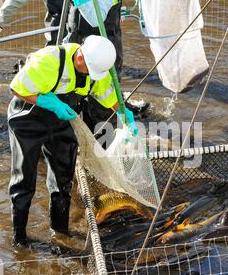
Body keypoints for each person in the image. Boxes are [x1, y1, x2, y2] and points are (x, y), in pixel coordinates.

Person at [8, 35, 136, 247]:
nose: (90, 75)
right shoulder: (49, 60)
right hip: (28, 120)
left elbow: (107, 95)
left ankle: (60, 233)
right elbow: (17, 89)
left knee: (63, 179)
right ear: (80, 56)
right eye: (88, 69)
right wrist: (48, 101)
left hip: (63, 120)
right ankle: (19, 239)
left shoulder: (96, 71)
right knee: (24, 179)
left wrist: (124, 113)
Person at [0, 0, 149, 115]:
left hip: (105, 27)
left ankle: (113, 114)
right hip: (67, 24)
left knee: (106, 73)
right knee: (58, 76)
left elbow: (98, 14)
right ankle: (48, 117)